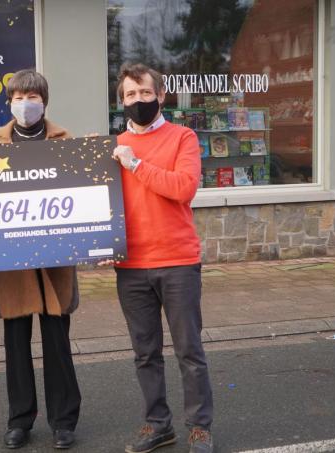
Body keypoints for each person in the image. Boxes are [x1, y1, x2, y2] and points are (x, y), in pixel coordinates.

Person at [111, 63, 215, 453]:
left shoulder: (182, 137)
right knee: (145, 353)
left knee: (190, 350)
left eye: (145, 93)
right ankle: (158, 424)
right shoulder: (115, 146)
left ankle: (200, 428)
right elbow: (108, 208)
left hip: (177, 262)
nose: (138, 101)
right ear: (122, 100)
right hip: (131, 267)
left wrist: (135, 164)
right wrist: (105, 246)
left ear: (161, 95)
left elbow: (183, 188)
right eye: (130, 95)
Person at [0, 69, 81, 450]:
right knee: (15, 342)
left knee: (57, 341)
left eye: (33, 97)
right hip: (11, 262)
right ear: (9, 103)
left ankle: (64, 421)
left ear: (44, 102)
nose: (26, 104)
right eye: (19, 97)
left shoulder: (64, 140)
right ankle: (19, 420)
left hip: (55, 259)